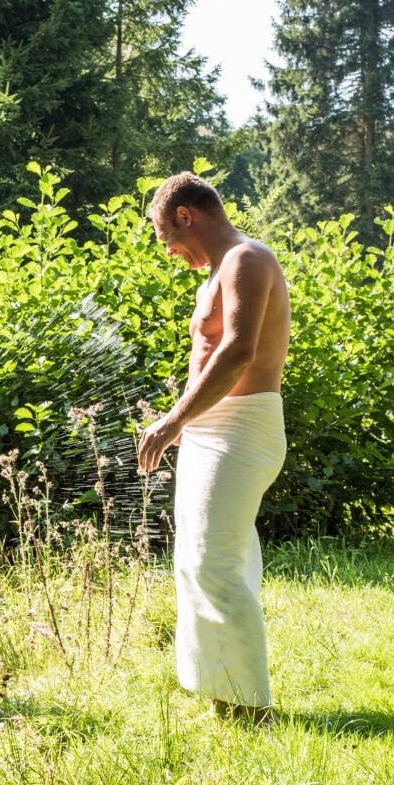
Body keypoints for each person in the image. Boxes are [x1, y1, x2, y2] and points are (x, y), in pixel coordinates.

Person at [137, 172, 290, 724]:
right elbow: (204, 359)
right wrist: (182, 422)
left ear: (185, 216)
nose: (170, 251)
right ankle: (221, 691)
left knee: (214, 563)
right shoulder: (214, 275)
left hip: (243, 428)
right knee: (200, 560)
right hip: (208, 427)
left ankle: (252, 708)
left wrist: (170, 422)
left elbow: (239, 352)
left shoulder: (246, 260)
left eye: (166, 238)